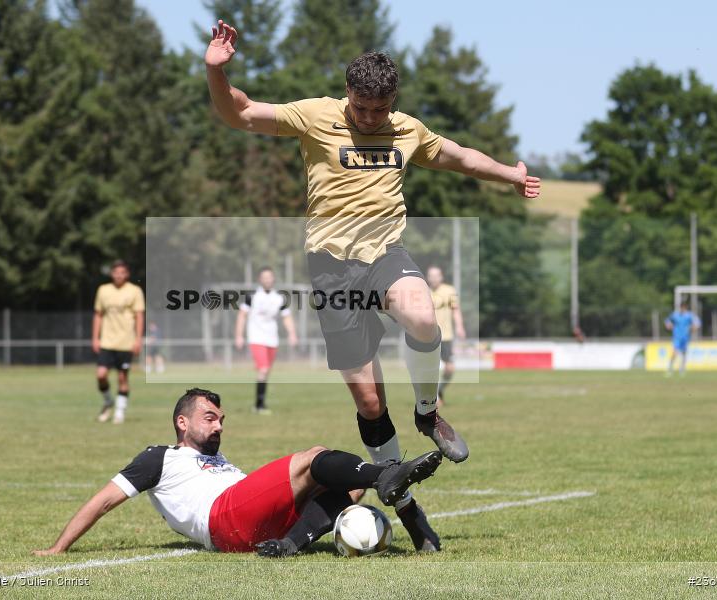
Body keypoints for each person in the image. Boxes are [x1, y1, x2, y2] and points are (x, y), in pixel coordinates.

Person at [205, 20, 541, 550]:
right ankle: (411, 517)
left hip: (385, 255)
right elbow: (240, 113)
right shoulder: (314, 116)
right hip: (331, 269)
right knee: (368, 405)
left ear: (393, 102)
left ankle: (428, 412)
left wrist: (511, 174)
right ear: (347, 95)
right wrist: (215, 72)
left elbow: (457, 157)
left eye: (377, 110)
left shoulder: (406, 128)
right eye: (360, 108)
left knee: (423, 315)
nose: (367, 118)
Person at [32, 388, 441, 557]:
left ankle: (290, 544)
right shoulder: (159, 458)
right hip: (222, 521)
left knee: (345, 489)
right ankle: (387, 475)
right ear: (182, 423)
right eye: (209, 418)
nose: (219, 425)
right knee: (312, 456)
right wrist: (57, 549)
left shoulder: (220, 461)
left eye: (221, 419)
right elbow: (103, 501)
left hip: (253, 523)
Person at [234, 266, 298, 414]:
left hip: (272, 339)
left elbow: (286, 317)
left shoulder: (279, 298)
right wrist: (239, 335)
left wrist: (292, 333)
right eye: (264, 277)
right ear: (260, 280)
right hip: (256, 338)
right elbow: (242, 316)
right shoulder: (252, 296)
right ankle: (259, 406)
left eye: (270, 277)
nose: (267, 280)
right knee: (263, 370)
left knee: (266, 371)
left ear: (273, 279)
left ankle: (259, 403)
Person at [92, 259, 145, 424]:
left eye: (122, 272)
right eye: (116, 272)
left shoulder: (135, 291)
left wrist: (138, 339)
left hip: (126, 342)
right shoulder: (103, 290)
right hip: (107, 342)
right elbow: (98, 314)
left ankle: (120, 412)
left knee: (122, 378)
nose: (119, 275)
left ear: (127, 274)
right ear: (112, 273)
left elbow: (139, 316)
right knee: (101, 375)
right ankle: (108, 401)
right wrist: (95, 337)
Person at [426, 266, 465, 407]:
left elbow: (456, 310)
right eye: (431, 275)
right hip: (429, 337)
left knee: (450, 368)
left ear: (441, 277)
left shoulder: (450, 291)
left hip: (446, 335)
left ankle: (439, 390)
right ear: (428, 277)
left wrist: (460, 326)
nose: (434, 278)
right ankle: (433, 397)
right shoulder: (424, 292)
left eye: (436, 275)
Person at [664, 301, 700, 376]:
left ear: (686, 308)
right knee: (675, 352)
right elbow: (667, 320)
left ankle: (682, 369)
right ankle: (670, 369)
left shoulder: (689, 315)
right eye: (681, 307)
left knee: (684, 353)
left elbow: (698, 322)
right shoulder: (675, 315)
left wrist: (694, 327)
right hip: (677, 336)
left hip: (685, 337)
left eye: (684, 307)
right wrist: (668, 325)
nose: (682, 309)